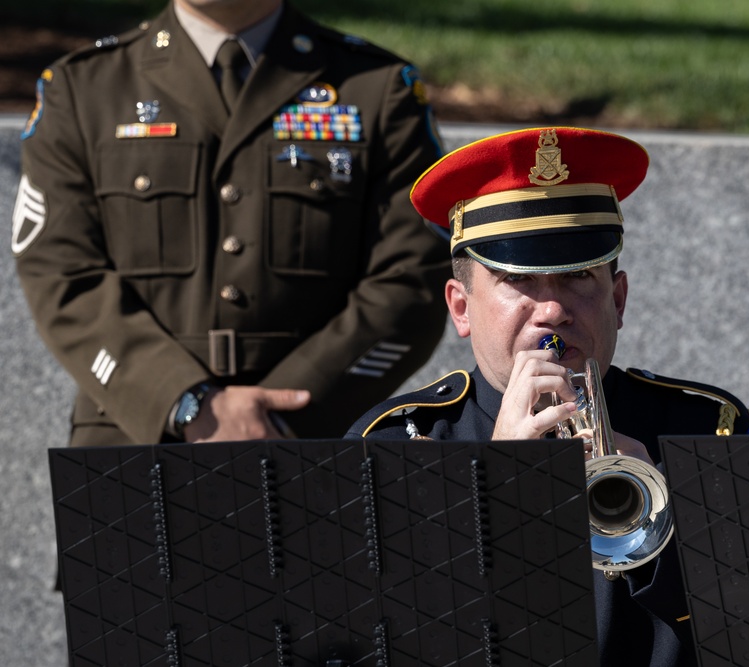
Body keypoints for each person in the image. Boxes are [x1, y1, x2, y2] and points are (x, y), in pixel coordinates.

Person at [346, 126, 749, 666]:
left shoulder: (705, 429)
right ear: (461, 308)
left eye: (578, 278)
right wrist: (491, 492)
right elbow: (382, 645)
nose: (552, 311)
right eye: (519, 282)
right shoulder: (397, 445)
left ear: (618, 299)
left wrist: (672, 520)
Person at [11, 0, 452, 446]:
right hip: (134, 431)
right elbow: (61, 270)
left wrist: (287, 412)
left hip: (319, 436)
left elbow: (412, 274)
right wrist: (184, 401)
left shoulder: (377, 87)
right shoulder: (85, 86)